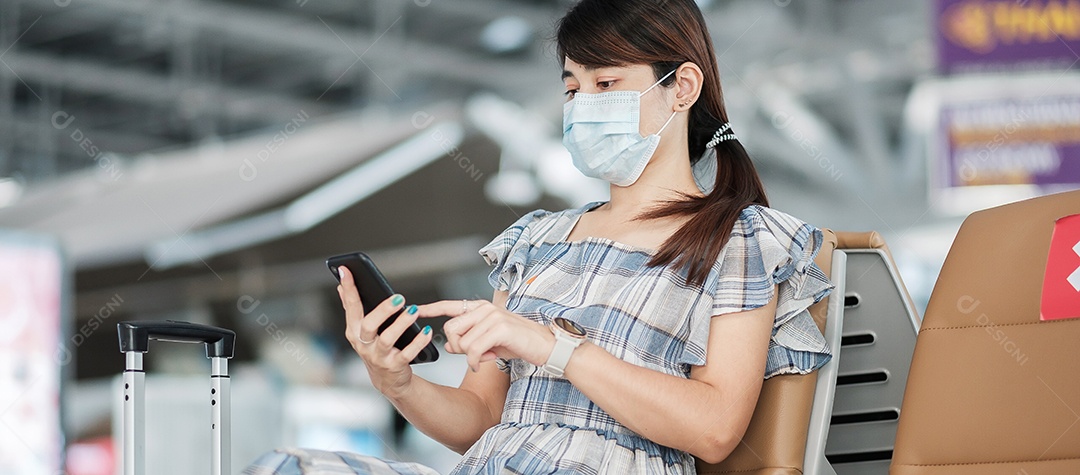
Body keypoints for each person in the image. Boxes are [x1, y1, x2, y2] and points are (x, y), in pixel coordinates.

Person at [245, 0, 833, 473]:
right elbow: (480, 420)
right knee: (285, 466)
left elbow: (713, 430)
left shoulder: (742, 239)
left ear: (681, 88)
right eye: (573, 88)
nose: (582, 106)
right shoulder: (536, 239)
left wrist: (552, 346)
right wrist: (398, 382)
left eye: (606, 83)